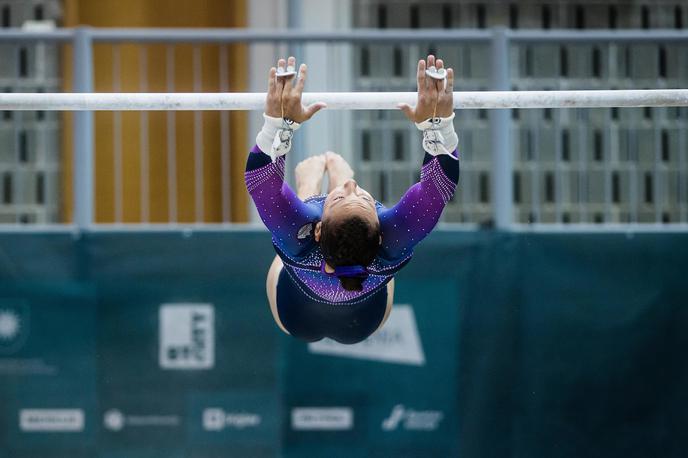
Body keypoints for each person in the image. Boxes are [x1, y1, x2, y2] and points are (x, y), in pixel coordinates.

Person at [245, 55, 460, 344]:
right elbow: (438, 187)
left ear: (318, 232)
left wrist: (278, 124)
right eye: (362, 196)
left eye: (343, 194)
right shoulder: (393, 238)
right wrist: (437, 126)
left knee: (291, 230)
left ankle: (309, 192)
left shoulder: (303, 244)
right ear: (382, 235)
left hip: (291, 313)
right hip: (365, 321)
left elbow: (261, 181)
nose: (352, 183)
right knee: (304, 225)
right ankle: (317, 199)